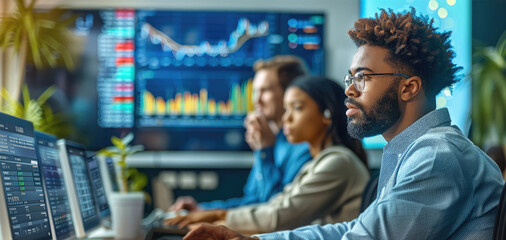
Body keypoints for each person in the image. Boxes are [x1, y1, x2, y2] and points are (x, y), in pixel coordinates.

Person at [182, 8, 504, 240]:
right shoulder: (412, 151)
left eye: (362, 78)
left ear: (409, 88)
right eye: (351, 77)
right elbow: (356, 229)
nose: (348, 89)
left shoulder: (437, 156)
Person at [166, 76, 369, 233]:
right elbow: (275, 205)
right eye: (286, 109)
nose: (286, 118)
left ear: (327, 115)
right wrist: (209, 216)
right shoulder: (320, 162)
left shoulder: (338, 162)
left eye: (296, 108)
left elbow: (279, 217)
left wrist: (216, 217)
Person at [170, 56, 312, 212]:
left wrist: (265, 152)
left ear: (290, 93)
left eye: (265, 91)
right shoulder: (272, 140)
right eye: (255, 91)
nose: (257, 101)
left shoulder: (304, 147)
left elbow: (274, 210)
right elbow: (252, 201)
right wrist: (203, 210)